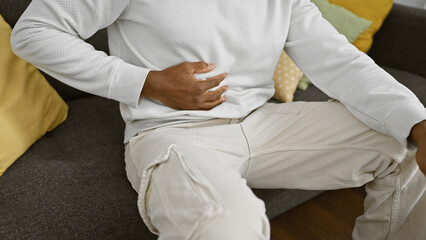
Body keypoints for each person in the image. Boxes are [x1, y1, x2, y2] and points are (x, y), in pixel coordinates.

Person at [11, 0, 426, 239]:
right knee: (228, 224)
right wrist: (147, 83)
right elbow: (34, 31)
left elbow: (338, 59)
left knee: (403, 142)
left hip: (264, 122)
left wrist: (417, 122)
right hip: (172, 133)